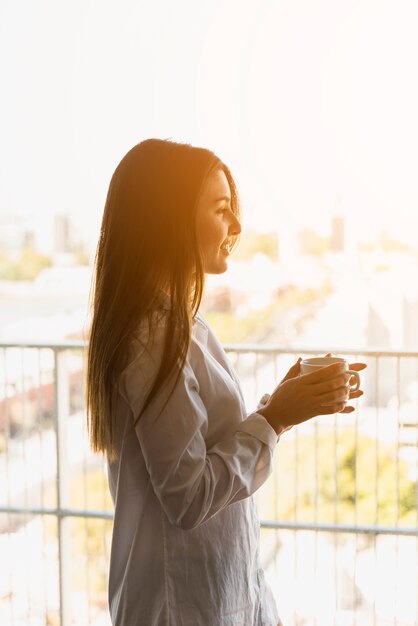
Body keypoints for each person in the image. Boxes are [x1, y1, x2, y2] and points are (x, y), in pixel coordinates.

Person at [86, 138, 365, 626]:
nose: (237, 225)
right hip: (182, 605)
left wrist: (282, 403)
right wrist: (276, 418)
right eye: (221, 210)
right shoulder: (155, 338)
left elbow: (204, 444)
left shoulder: (181, 325)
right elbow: (188, 495)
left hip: (214, 593)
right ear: (167, 221)